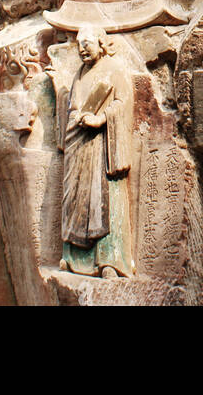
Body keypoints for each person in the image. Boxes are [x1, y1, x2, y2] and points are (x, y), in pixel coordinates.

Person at [60, 26, 134, 278]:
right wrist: (77, 118)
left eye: (87, 43)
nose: (82, 49)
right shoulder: (80, 73)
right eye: (79, 44)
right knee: (74, 198)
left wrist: (101, 119)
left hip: (102, 146)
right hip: (78, 142)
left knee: (103, 199)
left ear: (101, 44)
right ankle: (73, 258)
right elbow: (73, 106)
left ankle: (109, 261)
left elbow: (122, 103)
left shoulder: (114, 70)